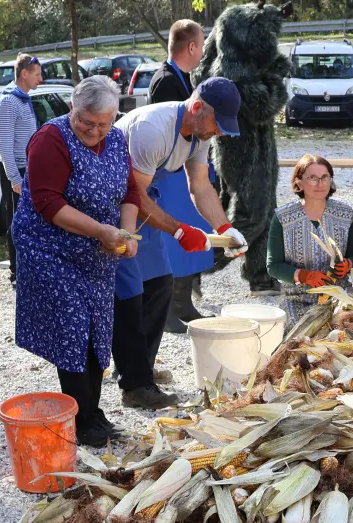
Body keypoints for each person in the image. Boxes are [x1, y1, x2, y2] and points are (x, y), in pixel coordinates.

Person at [12, 76, 141, 447]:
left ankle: (93, 413)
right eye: (87, 121)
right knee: (72, 325)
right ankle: (81, 420)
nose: (95, 130)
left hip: (97, 249)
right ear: (72, 108)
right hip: (49, 247)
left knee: (99, 329)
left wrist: (126, 231)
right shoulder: (50, 139)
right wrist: (101, 231)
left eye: (104, 123)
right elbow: (48, 203)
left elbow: (130, 190)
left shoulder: (116, 138)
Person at [113, 78, 247, 410]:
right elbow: (134, 196)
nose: (218, 133)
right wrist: (180, 232)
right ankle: (134, 386)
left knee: (160, 283)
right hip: (117, 206)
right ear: (198, 107)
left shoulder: (199, 133)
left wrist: (226, 226)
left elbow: (200, 186)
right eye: (218, 124)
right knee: (130, 290)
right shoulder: (152, 130)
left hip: (142, 201)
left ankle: (139, 367)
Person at [150, 19, 214, 330]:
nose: (202, 51)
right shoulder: (166, 81)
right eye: (201, 45)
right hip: (169, 177)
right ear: (190, 47)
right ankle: (169, 311)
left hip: (182, 175)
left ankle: (184, 303)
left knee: (192, 239)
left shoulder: (182, 78)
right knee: (176, 243)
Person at [267, 155, 353, 321]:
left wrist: (348, 264)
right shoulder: (283, 217)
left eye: (325, 177)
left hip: (340, 295)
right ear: (298, 182)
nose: (320, 184)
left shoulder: (345, 214)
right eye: (312, 178)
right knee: (300, 335)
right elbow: (273, 266)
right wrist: (304, 276)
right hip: (296, 297)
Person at [0, 53, 43, 285]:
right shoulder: (8, 102)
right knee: (16, 221)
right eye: (37, 74)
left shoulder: (23, 99)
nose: (40, 79)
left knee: (30, 221)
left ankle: (28, 267)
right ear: (23, 74)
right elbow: (4, 145)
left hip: (29, 168)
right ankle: (17, 272)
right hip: (16, 170)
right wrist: (14, 178)